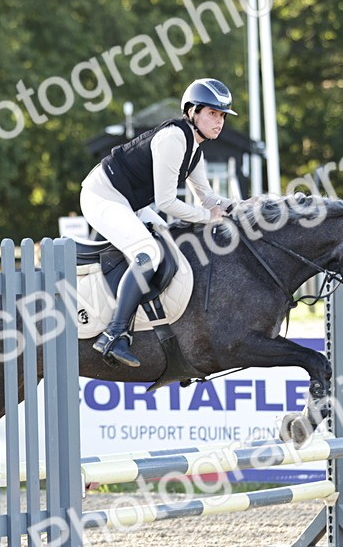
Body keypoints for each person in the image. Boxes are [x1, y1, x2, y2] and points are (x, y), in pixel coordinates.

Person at [79, 78, 236, 367]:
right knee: (148, 254)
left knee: (166, 243)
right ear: (192, 112)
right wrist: (209, 218)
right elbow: (166, 203)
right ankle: (114, 334)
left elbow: (208, 198)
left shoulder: (195, 149)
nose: (219, 122)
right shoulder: (174, 138)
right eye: (213, 113)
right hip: (101, 196)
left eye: (222, 116)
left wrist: (239, 207)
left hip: (126, 202)